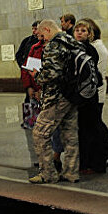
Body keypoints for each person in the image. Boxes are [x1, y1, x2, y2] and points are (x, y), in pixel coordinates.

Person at [28, 19, 81, 184]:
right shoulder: (72, 41)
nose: (43, 39)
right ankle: (71, 172)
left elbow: (52, 74)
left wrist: (36, 75)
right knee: (70, 134)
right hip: (72, 95)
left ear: (47, 29)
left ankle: (48, 174)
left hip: (56, 97)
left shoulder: (53, 45)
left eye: (42, 35)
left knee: (39, 133)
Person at [80, 19, 108, 168]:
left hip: (96, 92)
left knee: (96, 125)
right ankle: (106, 153)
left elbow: (95, 72)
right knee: (96, 124)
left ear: (92, 33)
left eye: (84, 31)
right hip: (93, 91)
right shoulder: (92, 47)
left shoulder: (96, 48)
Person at [73, 20, 107, 174]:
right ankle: (85, 162)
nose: (79, 33)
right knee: (83, 130)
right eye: (77, 30)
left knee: (91, 130)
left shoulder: (89, 50)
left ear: (89, 34)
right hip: (82, 95)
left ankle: (95, 164)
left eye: (83, 31)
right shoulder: (74, 48)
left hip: (88, 95)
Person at [16, 21, 41, 104]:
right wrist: (23, 65)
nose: (34, 31)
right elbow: (19, 55)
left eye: (36, 29)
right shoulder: (27, 41)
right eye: (32, 29)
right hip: (28, 74)